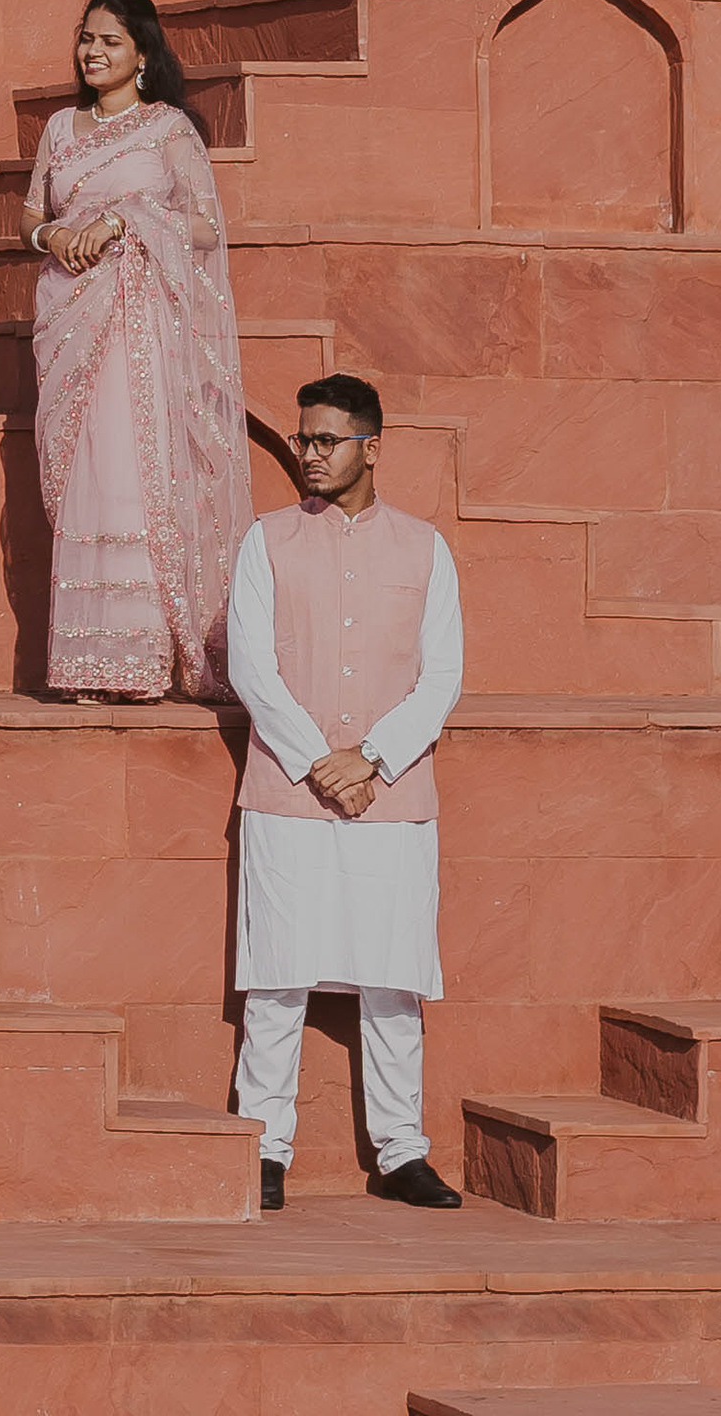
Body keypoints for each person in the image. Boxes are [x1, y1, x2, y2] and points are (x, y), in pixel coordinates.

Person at [223, 374, 464, 1208]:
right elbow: (250, 666)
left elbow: (442, 677)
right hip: (287, 792)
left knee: (394, 978)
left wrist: (370, 758)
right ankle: (263, 1149)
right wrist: (317, 760)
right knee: (277, 976)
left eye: (327, 440)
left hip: (392, 795)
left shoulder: (425, 549)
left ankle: (401, 1153)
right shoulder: (267, 541)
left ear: (372, 447)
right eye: (304, 439)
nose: (310, 454)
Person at [22, 0, 251, 702]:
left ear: (143, 55)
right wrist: (53, 235)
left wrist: (126, 219)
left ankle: (141, 656)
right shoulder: (60, 128)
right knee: (81, 477)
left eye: (110, 41)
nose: (92, 51)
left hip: (139, 329)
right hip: (69, 316)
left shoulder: (168, 130)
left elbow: (207, 228)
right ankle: (87, 663)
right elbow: (30, 214)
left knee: (127, 473)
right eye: (86, 38)